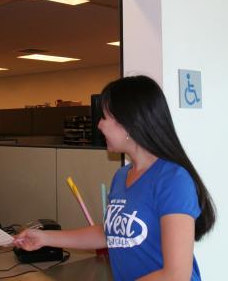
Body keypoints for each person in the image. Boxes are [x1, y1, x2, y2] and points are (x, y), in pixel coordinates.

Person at [14, 75, 216, 280]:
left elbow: (176, 275)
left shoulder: (173, 180)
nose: (99, 125)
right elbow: (109, 234)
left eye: (104, 117)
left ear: (129, 122)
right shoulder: (121, 176)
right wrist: (45, 238)